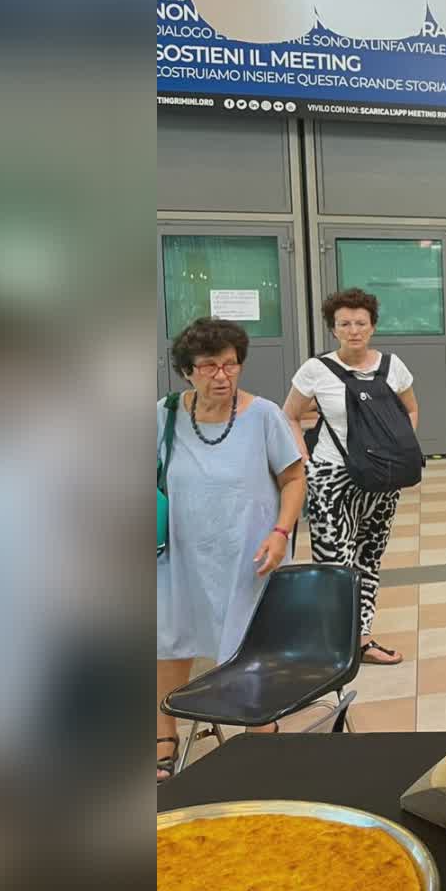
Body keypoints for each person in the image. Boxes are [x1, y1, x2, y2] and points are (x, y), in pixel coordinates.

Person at [158, 318, 306, 781]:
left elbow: (294, 478)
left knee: (243, 642)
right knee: (169, 638)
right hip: (177, 554)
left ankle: (256, 723)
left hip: (246, 554)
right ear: (187, 371)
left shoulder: (263, 416)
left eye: (230, 365)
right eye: (208, 367)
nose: (221, 376)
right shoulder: (162, 416)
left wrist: (281, 533)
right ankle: (164, 732)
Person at [282, 288, 420, 666]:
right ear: (334, 328)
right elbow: (289, 414)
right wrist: (306, 459)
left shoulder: (393, 367)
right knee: (333, 559)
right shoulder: (316, 370)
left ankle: (361, 639)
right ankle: (331, 642)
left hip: (381, 478)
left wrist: (397, 449)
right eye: (345, 323)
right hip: (332, 477)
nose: (354, 330)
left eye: (361, 323)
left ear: (372, 327)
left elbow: (410, 411)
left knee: (369, 556)